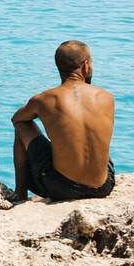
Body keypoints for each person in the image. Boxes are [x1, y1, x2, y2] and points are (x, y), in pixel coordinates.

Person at [12, 40, 116, 204]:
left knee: (22, 125)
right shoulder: (106, 97)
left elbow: (16, 119)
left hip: (61, 189)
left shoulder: (44, 99)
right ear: (86, 66)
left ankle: (20, 194)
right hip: (103, 187)